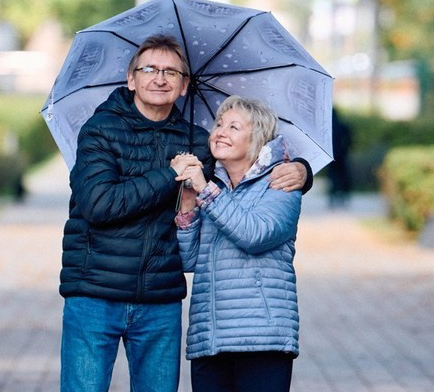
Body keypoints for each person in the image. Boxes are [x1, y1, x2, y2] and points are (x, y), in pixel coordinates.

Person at [59, 35, 311, 392]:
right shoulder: (100, 131)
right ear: (131, 79)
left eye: (171, 72)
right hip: (96, 291)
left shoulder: (197, 142)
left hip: (160, 299)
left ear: (183, 85)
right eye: (149, 69)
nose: (159, 78)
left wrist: (302, 170)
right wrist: (171, 176)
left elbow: (247, 169)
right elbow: (100, 205)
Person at [174, 95, 303, 392]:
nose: (220, 131)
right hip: (210, 337)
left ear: (257, 138)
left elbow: (254, 235)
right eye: (219, 124)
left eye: (233, 127)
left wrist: (205, 190)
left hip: (261, 338)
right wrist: (187, 207)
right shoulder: (213, 187)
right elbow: (189, 260)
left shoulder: (281, 183)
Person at [328, 107, 353, 206]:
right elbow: (349, 140)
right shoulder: (342, 125)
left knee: (333, 176)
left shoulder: (328, 127)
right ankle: (344, 195)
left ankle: (333, 195)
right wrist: (345, 150)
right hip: (342, 155)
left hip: (331, 155)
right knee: (343, 176)